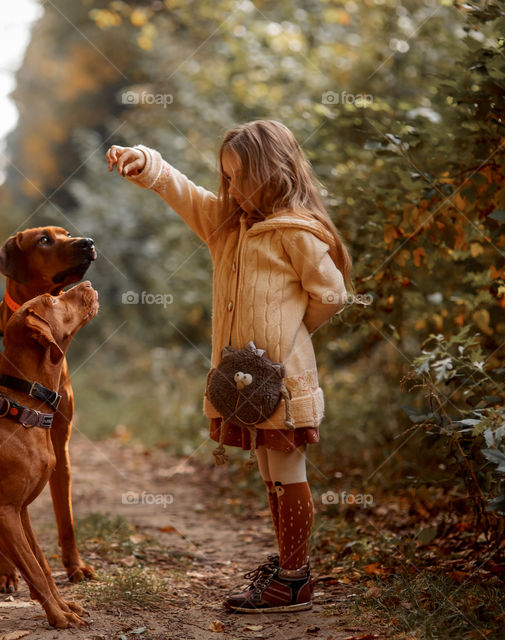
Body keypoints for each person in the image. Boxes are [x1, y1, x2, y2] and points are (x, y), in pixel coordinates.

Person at [106, 120, 350, 613]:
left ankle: (296, 578)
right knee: (270, 471)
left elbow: (332, 294)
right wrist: (147, 162)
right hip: (243, 385)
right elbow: (185, 193)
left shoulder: (296, 234)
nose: (232, 188)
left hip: (283, 380)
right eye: (226, 177)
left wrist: (291, 336)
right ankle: (286, 569)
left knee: (286, 467)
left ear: (272, 172)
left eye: (240, 177)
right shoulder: (226, 226)